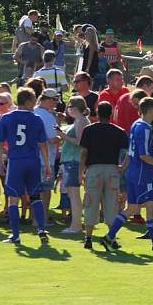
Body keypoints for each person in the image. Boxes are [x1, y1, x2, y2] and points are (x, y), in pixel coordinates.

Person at [101, 97, 153, 252]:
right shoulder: (146, 128)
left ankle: (109, 236)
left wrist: (124, 167)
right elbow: (142, 155)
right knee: (149, 207)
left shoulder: (136, 124)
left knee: (132, 208)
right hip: (143, 174)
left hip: (132, 173)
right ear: (150, 110)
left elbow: (133, 150)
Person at [0, 87, 52, 244]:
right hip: (32, 161)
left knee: (13, 198)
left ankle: (16, 235)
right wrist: (46, 165)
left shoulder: (6, 118)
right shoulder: (37, 119)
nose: (35, 104)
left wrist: (0, 162)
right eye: (34, 100)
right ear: (28, 102)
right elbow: (43, 145)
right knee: (35, 195)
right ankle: (41, 228)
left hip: (16, 161)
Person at [77, 101, 127, 249]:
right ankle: (111, 237)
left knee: (91, 202)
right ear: (111, 114)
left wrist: (81, 172)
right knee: (112, 203)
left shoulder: (89, 130)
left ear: (97, 113)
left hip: (94, 169)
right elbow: (127, 153)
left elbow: (84, 153)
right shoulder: (119, 131)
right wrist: (122, 168)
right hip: (112, 170)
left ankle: (88, 238)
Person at [59, 96, 89, 234]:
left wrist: (63, 136)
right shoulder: (78, 121)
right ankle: (76, 224)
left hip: (74, 160)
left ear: (76, 108)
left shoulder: (81, 120)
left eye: (69, 106)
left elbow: (80, 142)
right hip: (71, 160)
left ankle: (76, 225)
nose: (67, 109)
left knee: (74, 194)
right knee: (72, 194)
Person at [34, 89, 61, 219]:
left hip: (33, 158)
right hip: (46, 160)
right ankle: (43, 217)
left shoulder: (33, 112)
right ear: (48, 100)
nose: (56, 103)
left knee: (34, 191)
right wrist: (61, 137)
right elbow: (51, 139)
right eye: (55, 100)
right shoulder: (48, 117)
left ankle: (33, 217)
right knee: (45, 191)